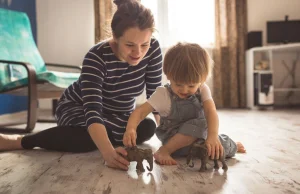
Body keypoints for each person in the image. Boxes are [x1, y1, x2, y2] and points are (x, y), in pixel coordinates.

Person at [0, 0, 162, 171]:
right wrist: (107, 152)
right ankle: (19, 141)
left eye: (144, 44)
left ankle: (101, 136)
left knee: (147, 127)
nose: (138, 53)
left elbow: (155, 98)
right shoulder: (96, 57)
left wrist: (168, 140)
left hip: (118, 115)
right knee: (85, 139)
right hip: (78, 108)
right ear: (115, 36)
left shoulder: (153, 49)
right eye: (130, 45)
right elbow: (92, 111)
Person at [123, 42, 246, 165]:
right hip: (172, 142)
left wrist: (213, 136)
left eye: (191, 85)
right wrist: (131, 129)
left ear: (202, 80)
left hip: (197, 140)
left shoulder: (202, 89)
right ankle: (164, 151)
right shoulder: (163, 94)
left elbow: (211, 111)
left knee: (222, 147)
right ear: (168, 76)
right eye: (178, 84)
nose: (184, 90)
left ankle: (232, 144)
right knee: (202, 123)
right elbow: (140, 112)